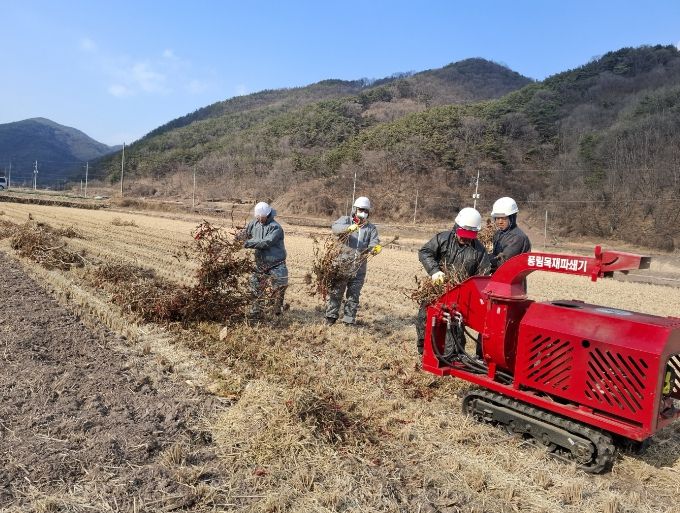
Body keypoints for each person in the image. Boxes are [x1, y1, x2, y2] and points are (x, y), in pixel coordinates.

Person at [416, 207, 491, 355]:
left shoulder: (479, 251)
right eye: (463, 234)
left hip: (460, 296)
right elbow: (425, 252)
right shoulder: (443, 239)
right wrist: (434, 271)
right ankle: (425, 354)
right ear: (456, 227)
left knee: (454, 330)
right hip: (437, 289)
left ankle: (452, 357)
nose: (465, 239)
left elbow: (483, 275)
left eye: (469, 236)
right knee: (425, 319)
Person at [325, 196, 381, 326]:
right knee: (336, 292)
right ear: (355, 210)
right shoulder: (346, 220)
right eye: (361, 209)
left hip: (359, 268)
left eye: (366, 210)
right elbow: (335, 228)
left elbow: (373, 242)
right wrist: (348, 228)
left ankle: (349, 320)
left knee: (353, 296)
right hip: (342, 265)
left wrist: (375, 248)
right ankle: (331, 317)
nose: (363, 213)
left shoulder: (370, 228)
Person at [241, 201, 288, 319]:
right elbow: (245, 234)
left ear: (267, 215)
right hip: (260, 264)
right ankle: (256, 311)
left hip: (276, 264)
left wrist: (246, 243)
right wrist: (238, 238)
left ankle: (276, 312)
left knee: (278, 290)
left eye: (261, 217)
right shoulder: (254, 223)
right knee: (255, 286)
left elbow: (265, 242)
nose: (258, 219)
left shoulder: (276, 228)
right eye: (257, 217)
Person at [489, 197, 531, 272]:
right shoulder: (499, 234)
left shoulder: (517, 237)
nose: (500, 222)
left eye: (503, 218)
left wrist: (483, 258)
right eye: (497, 218)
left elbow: (503, 262)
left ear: (512, 218)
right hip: (498, 275)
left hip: (510, 277)